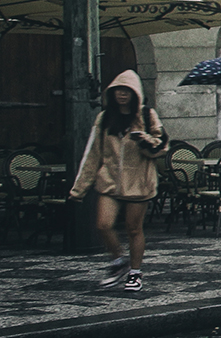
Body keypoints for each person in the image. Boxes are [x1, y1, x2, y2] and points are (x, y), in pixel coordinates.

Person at [68, 70, 168, 292]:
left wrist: (145, 139)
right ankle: (118, 261)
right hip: (110, 180)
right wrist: (79, 189)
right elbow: (93, 155)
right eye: (118, 91)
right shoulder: (104, 118)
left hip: (139, 182)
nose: (122, 95)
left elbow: (162, 147)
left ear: (136, 94)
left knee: (134, 228)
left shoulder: (147, 115)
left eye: (127, 91)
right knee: (103, 224)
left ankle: (135, 271)